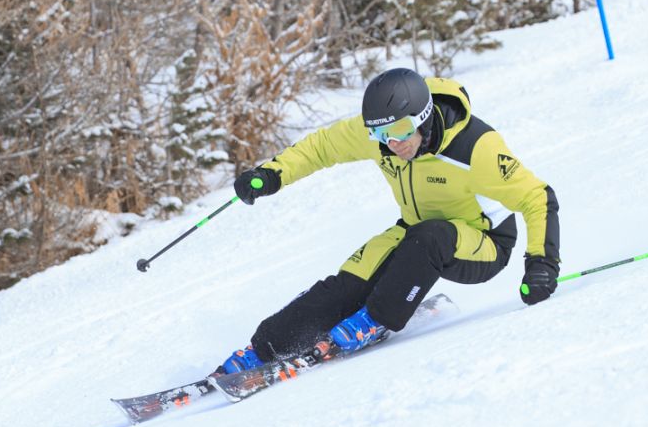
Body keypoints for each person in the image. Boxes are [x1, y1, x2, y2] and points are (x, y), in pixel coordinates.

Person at [218, 67, 561, 374]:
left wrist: (541, 265)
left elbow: (537, 197)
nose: (393, 143)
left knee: (431, 237)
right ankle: (266, 347)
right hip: (414, 232)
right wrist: (272, 174)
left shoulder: (476, 148)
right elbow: (322, 147)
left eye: (400, 130)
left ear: (422, 117)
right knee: (347, 284)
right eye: (381, 134)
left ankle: (376, 319)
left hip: (483, 242)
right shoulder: (384, 138)